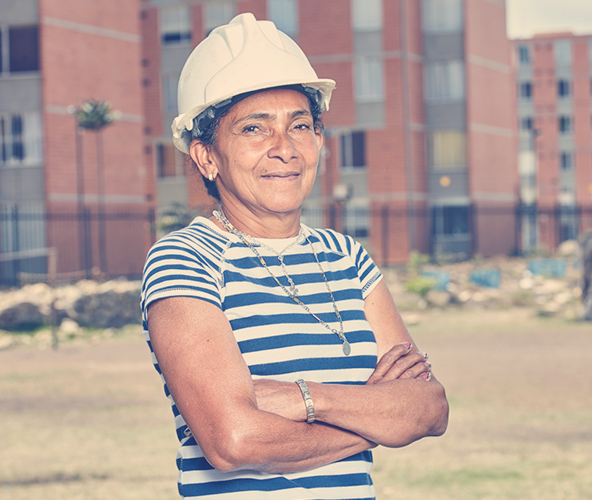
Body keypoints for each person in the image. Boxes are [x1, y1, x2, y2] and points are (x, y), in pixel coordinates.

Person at [141, 13, 448, 499]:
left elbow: (430, 409)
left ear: (319, 141)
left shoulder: (347, 258)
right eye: (254, 129)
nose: (284, 149)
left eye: (300, 125)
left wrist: (305, 398)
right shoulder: (185, 260)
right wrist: (377, 416)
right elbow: (233, 441)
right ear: (206, 157)